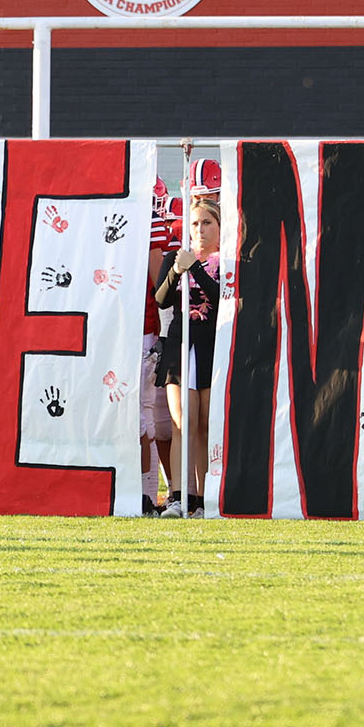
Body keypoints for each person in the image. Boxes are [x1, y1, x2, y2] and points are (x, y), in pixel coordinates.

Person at [153, 197, 223, 517]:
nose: (200, 230)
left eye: (207, 223)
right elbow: (162, 299)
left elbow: (220, 299)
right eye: (195, 224)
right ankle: (180, 495)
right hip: (181, 345)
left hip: (212, 346)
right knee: (182, 422)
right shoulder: (175, 257)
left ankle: (205, 496)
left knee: (206, 424)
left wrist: (195, 266)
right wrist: (178, 269)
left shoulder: (226, 261)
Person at [138, 182, 180, 515]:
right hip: (127, 326)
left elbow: (158, 284)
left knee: (147, 418)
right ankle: (147, 494)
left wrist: (164, 335)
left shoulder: (152, 223)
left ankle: (148, 496)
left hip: (145, 330)